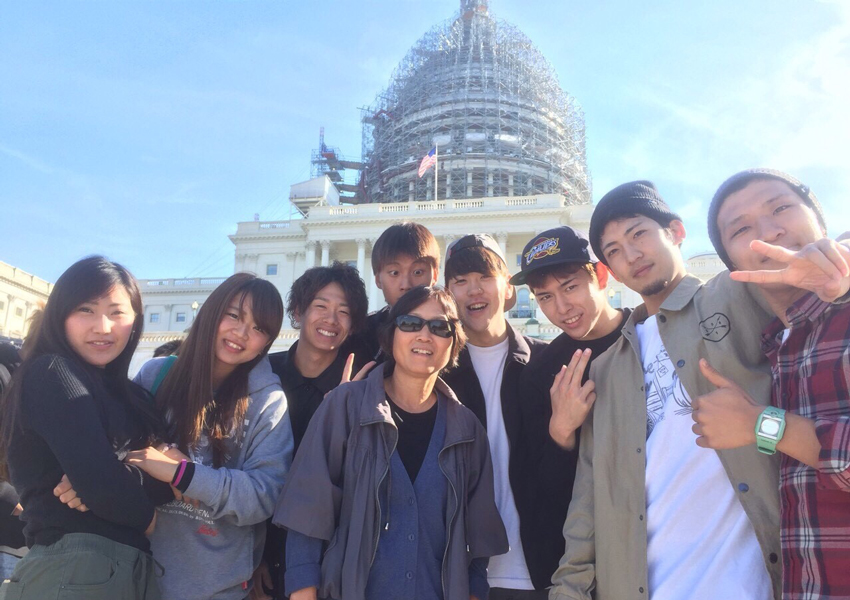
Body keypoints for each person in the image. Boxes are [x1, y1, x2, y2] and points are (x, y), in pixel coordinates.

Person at [550, 181, 782, 600]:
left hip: (747, 584)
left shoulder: (737, 294)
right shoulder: (604, 370)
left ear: (675, 232)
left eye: (638, 234)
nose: (631, 255)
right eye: (614, 250)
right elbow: (587, 504)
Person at [274, 285, 508, 600]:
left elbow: (478, 539)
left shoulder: (467, 429)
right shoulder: (344, 407)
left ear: (453, 344)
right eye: (411, 324)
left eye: (440, 327)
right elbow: (307, 513)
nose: (425, 336)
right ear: (391, 334)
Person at [697, 169, 850, 599]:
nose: (769, 232)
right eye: (741, 229)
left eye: (780, 207)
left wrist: (762, 424)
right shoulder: (776, 346)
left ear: (819, 219)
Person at [0, 256, 169, 599]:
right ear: (59, 316)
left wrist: (124, 480)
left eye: (117, 312)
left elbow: (163, 480)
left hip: (135, 573)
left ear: (136, 320)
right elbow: (106, 489)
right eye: (86, 310)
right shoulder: (52, 373)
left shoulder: (135, 396)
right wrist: (146, 510)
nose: (103, 326)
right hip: (71, 568)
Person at [130, 272, 293, 600]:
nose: (242, 332)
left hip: (218, 588)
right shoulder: (155, 375)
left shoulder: (268, 400)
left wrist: (185, 474)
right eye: (233, 315)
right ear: (212, 311)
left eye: (259, 328)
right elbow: (121, 444)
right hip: (136, 574)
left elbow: (265, 494)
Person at [510, 226, 630, 594]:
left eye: (570, 287)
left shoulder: (649, 335)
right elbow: (539, 494)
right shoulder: (541, 373)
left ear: (602, 276)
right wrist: (561, 433)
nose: (561, 309)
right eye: (544, 297)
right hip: (593, 559)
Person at [441, 233, 548, 598]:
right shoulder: (435, 375)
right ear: (447, 296)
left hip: (542, 568)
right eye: (460, 281)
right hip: (464, 575)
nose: (474, 290)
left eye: (485, 277)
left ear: (508, 289)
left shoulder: (548, 363)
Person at [260, 263, 371, 599]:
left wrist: (343, 409)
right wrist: (255, 553)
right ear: (298, 311)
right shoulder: (263, 373)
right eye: (321, 307)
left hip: (328, 556)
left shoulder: (360, 386)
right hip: (260, 546)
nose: (331, 320)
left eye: (344, 312)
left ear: (353, 326)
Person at [349, 222, 441, 362]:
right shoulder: (361, 336)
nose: (406, 285)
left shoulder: (446, 333)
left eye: (417, 272)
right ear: (378, 280)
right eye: (394, 272)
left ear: (434, 276)